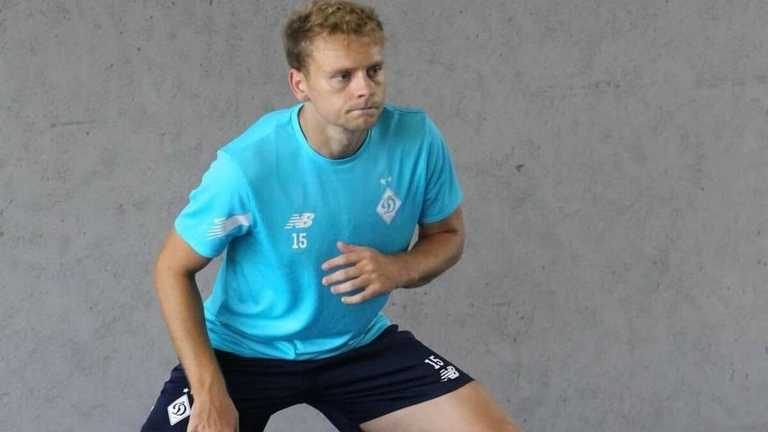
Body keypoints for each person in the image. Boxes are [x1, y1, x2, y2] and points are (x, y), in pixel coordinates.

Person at [140, 1, 521, 431]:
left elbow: (448, 235)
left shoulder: (416, 140)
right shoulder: (247, 168)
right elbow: (172, 269)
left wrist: (399, 268)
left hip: (357, 348)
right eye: (343, 76)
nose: (364, 89)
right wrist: (209, 390)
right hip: (242, 354)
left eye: (373, 71)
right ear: (300, 84)